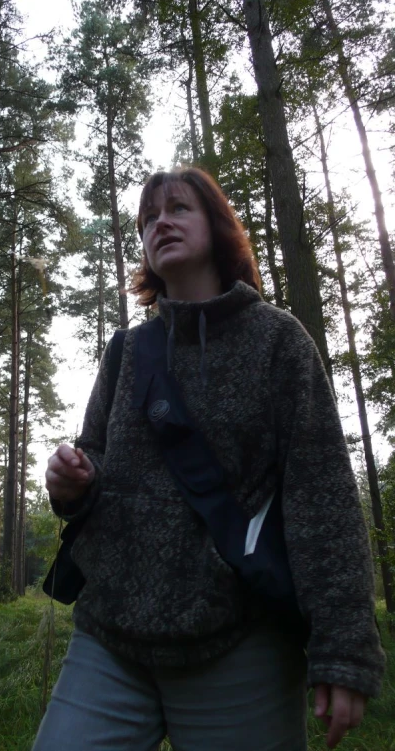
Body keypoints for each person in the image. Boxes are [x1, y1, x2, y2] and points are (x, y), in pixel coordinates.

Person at [33, 168, 385, 751]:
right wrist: (72, 480)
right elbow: (95, 457)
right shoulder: (126, 351)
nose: (160, 223)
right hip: (110, 637)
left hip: (240, 643)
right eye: (148, 219)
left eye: (178, 209)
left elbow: (322, 497)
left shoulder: (279, 342)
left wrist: (344, 648)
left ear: (217, 226)